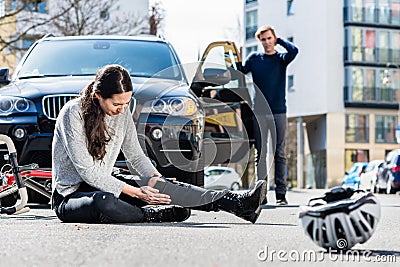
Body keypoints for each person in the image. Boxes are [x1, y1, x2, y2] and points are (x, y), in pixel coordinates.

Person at [51, 64, 268, 224]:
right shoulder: (73, 113)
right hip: (71, 196)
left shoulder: (122, 112)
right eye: (117, 103)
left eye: (126, 103)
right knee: (104, 201)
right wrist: (137, 194)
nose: (122, 109)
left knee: (158, 184)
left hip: (107, 181)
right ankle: (151, 214)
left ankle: (237, 204)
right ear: (98, 96)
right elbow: (87, 171)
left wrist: (156, 178)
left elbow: (135, 156)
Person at [242, 25, 298, 205]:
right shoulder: (254, 59)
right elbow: (240, 70)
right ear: (260, 42)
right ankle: (261, 194)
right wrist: (231, 53)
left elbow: (294, 50)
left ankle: (281, 195)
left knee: (279, 153)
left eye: (269, 38)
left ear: (274, 39)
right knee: (261, 153)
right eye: (263, 39)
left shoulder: (282, 59)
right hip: (259, 112)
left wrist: (279, 40)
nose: (266, 42)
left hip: (279, 112)